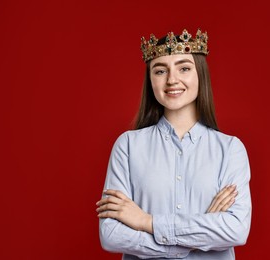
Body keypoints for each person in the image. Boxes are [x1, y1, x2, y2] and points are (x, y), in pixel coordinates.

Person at [96, 28, 252, 259]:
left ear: (200, 74)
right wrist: (200, 234)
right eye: (160, 71)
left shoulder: (229, 149)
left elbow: (235, 230)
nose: (171, 79)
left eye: (184, 68)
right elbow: (111, 234)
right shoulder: (128, 146)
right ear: (150, 80)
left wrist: (146, 221)